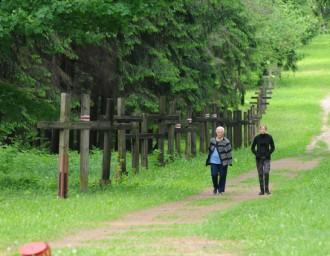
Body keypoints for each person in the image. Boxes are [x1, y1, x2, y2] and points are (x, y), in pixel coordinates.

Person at [206, 126, 232, 195]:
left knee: (222, 175)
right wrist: (209, 158)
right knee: (214, 174)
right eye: (218, 132)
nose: (219, 133)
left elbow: (229, 152)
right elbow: (210, 149)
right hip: (213, 161)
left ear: (223, 133)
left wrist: (229, 162)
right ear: (216, 132)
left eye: (221, 132)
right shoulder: (212, 140)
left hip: (223, 162)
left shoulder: (226, 141)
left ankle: (220, 190)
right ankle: (215, 187)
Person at [251, 124, 275, 195]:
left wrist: (269, 153)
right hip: (259, 159)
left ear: (266, 130)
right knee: (260, 174)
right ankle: (262, 190)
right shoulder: (256, 138)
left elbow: (273, 147)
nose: (263, 130)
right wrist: (256, 154)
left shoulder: (269, 137)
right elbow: (252, 148)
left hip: (267, 158)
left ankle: (267, 189)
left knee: (266, 172)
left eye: (264, 129)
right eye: (261, 129)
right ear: (259, 130)